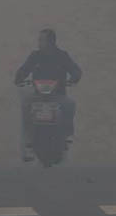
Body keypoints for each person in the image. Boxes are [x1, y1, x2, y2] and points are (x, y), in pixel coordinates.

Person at [14, 29, 82, 162]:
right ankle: (28, 141)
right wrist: (19, 78)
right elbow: (25, 69)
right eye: (39, 40)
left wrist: (73, 78)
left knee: (69, 104)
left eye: (41, 40)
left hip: (58, 95)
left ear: (50, 41)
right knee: (26, 105)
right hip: (38, 95)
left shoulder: (62, 56)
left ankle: (68, 135)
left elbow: (75, 69)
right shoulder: (35, 56)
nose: (39, 42)